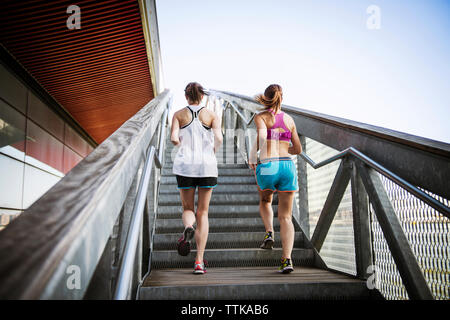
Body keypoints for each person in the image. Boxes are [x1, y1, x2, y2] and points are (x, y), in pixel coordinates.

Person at [249, 84, 302, 273]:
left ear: (266, 97)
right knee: (286, 217)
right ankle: (287, 260)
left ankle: (269, 232)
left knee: (265, 200)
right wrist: (282, 147)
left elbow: (262, 136)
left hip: (269, 165)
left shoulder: (261, 117)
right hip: (287, 166)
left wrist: (254, 155)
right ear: (282, 98)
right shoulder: (289, 119)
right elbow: (298, 149)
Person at [170, 82, 223, 274]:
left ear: (186, 96)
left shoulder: (178, 115)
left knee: (188, 208)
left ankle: (188, 226)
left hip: (185, 166)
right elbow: (219, 139)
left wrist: (180, 144)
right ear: (202, 97)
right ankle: (199, 261)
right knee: (204, 212)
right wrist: (212, 153)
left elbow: (174, 138)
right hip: (207, 166)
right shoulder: (211, 115)